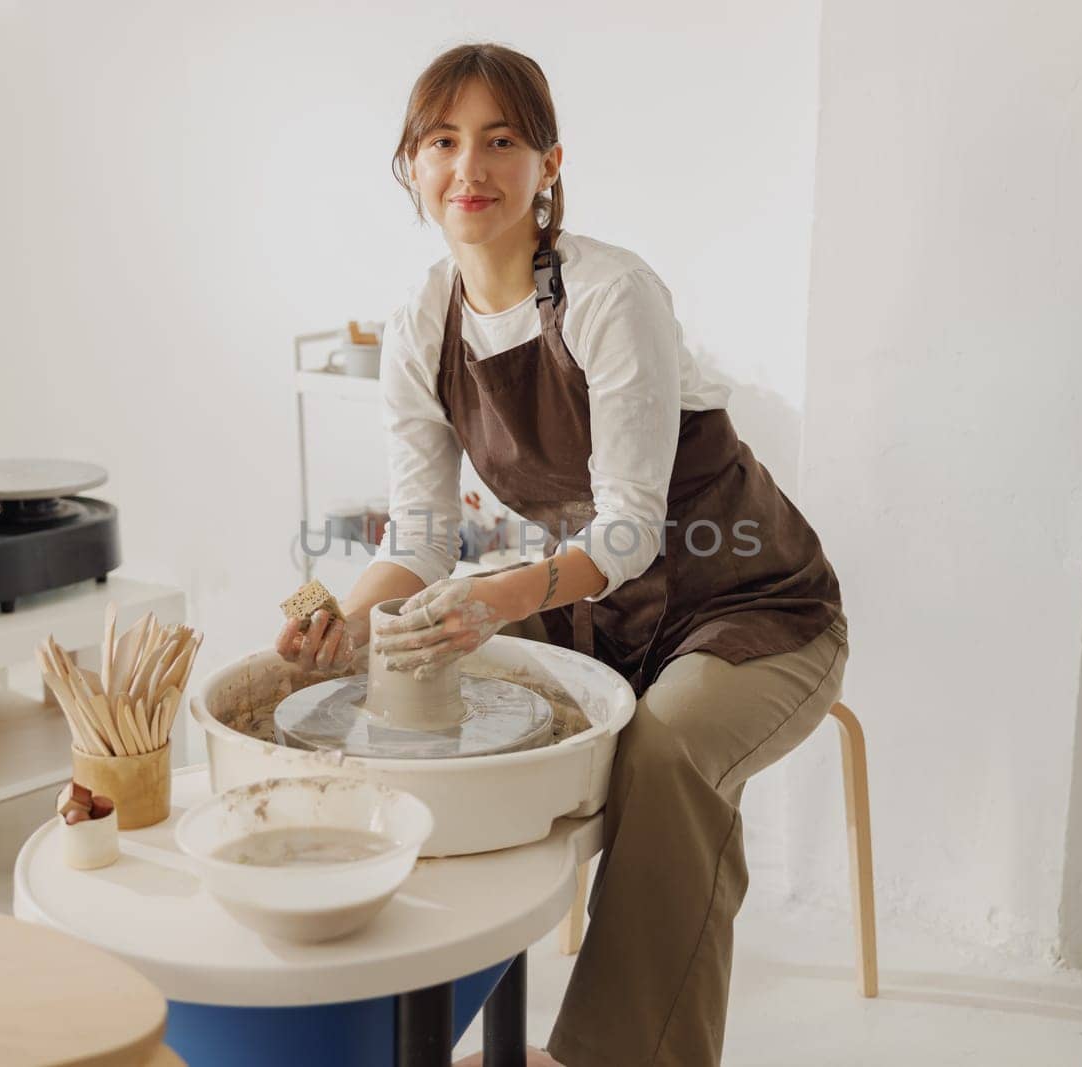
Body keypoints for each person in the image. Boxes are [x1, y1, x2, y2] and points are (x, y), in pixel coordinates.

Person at [276, 42, 847, 1067]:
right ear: (410, 165)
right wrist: (355, 618)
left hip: (753, 602)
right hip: (609, 609)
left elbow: (627, 524)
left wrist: (492, 597)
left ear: (548, 164)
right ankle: (419, 1018)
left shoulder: (609, 292)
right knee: (411, 674)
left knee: (665, 750)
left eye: (501, 140)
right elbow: (421, 529)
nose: (470, 168)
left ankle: (611, 1053)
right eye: (442, 142)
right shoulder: (419, 325)